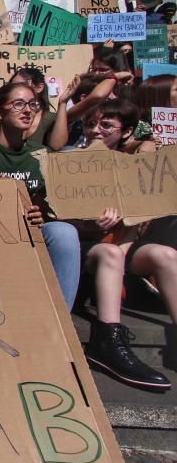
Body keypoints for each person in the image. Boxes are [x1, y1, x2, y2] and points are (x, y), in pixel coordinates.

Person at [74, 99, 173, 389]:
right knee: (109, 252)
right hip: (88, 255)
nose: (95, 130)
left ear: (126, 132)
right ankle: (107, 340)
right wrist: (91, 225)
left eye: (106, 125)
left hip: (123, 255)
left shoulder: (135, 169)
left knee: (166, 255)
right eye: (91, 124)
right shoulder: (68, 163)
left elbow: (131, 233)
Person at [0, 82, 81, 312]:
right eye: (18, 104)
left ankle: (61, 323)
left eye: (32, 104)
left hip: (31, 233)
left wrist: (42, 213)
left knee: (64, 233)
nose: (27, 110)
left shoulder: (40, 155)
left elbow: (55, 206)